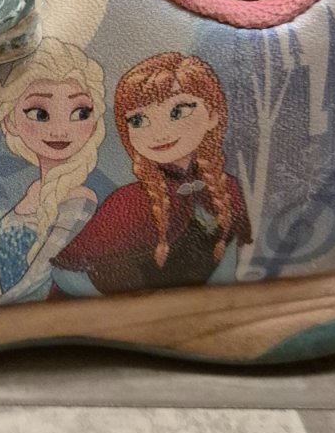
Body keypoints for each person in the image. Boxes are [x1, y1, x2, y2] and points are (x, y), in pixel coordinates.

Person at [53, 51, 251, 295]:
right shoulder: (128, 201)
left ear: (212, 115)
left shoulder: (229, 189)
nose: (159, 133)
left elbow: (230, 266)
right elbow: (67, 273)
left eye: (178, 112)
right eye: (138, 120)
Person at [0, 38, 106, 303]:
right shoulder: (34, 191)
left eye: (80, 113)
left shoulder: (80, 199)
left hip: (49, 316)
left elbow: (39, 279)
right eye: (40, 114)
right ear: (11, 120)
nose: (60, 130)